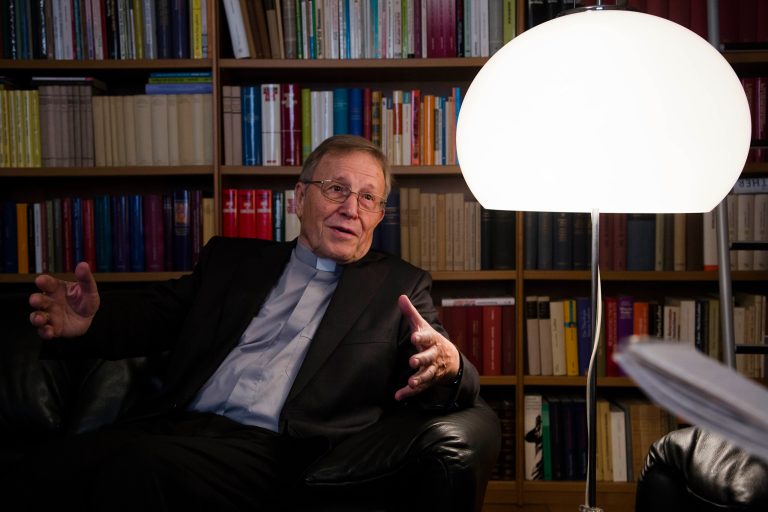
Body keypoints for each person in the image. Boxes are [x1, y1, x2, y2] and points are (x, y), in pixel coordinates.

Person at [22, 134, 480, 510]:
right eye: (336, 190)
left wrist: (451, 366)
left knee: (134, 466)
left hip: (276, 452)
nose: (351, 209)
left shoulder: (399, 287)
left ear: (379, 214)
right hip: (177, 425)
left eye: (368, 198)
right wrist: (89, 323)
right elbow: (153, 315)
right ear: (300, 197)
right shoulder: (231, 261)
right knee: (53, 465)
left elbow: (436, 364)